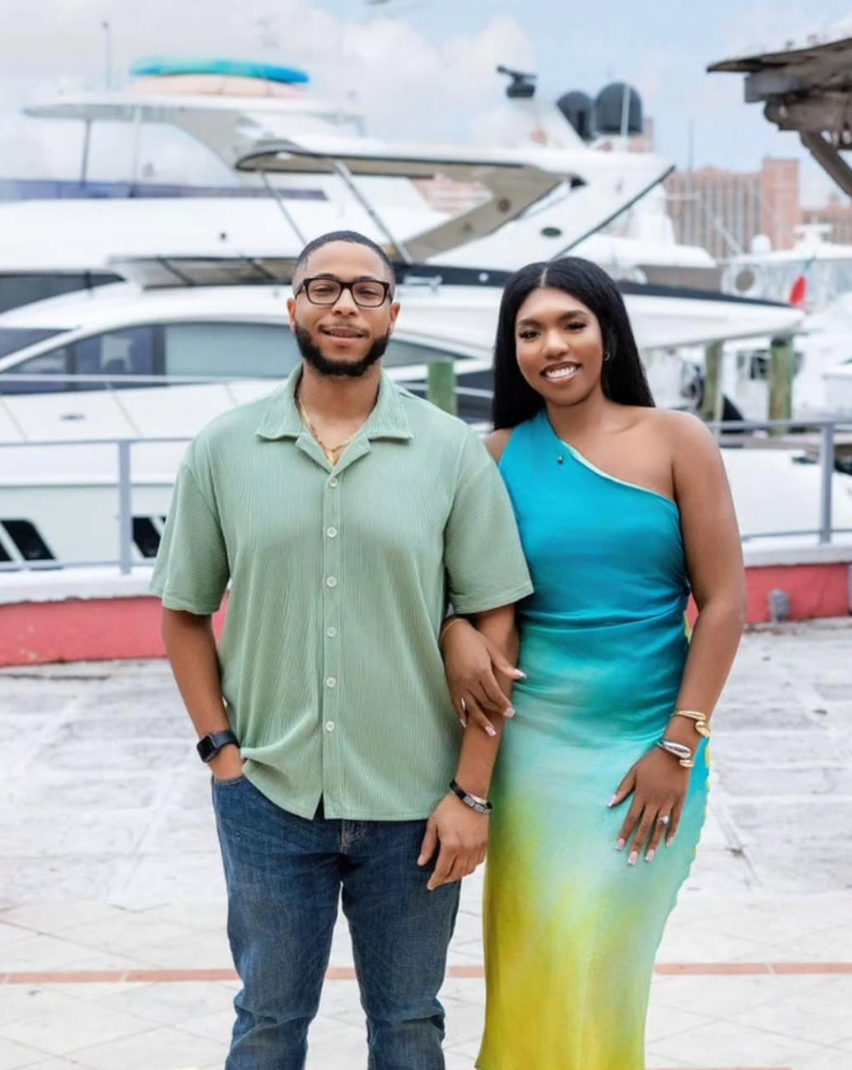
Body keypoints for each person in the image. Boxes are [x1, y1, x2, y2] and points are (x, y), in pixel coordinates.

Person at [149, 230, 533, 1070]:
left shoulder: (448, 453)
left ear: (393, 313)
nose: (344, 306)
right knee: (268, 1020)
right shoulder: (223, 449)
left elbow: (495, 618)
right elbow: (183, 612)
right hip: (269, 798)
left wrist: (471, 792)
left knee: (406, 1025)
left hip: (415, 803)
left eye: (366, 291)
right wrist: (220, 751)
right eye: (323, 288)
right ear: (292, 308)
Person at [439, 257, 746, 1070]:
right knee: (540, 962)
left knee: (601, 960)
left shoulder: (679, 440)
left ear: (607, 333)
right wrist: (451, 632)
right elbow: (455, 597)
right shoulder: (493, 456)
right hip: (532, 759)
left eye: (572, 323)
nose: (554, 345)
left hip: (649, 750)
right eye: (530, 331)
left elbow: (722, 603)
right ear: (514, 350)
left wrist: (678, 747)